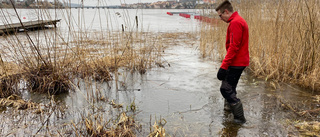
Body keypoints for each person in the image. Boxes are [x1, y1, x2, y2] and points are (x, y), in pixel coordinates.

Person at [215, 0, 249, 124]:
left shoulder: (236, 22)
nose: (220, 18)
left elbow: (234, 47)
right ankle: (228, 108)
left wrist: (223, 66)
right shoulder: (237, 21)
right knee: (230, 87)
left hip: (237, 62)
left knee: (225, 89)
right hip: (238, 61)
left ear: (227, 11)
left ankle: (240, 119)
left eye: (220, 15)